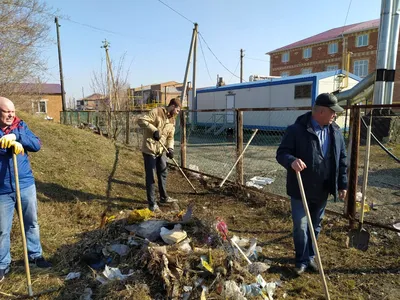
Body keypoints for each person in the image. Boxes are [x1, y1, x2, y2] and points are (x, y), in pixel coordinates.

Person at [276, 93, 347, 276]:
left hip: (323, 189)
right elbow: (281, 153)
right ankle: (300, 260)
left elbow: (342, 161)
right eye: (333, 112)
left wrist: (342, 185)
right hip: (300, 188)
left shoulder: (336, 132)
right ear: (321, 111)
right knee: (300, 226)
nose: (335, 116)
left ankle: (310, 256)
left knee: (315, 225)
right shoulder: (296, 130)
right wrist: (291, 160)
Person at [0, 97, 51, 282]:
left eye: (12, 111)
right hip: (2, 189)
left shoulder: (20, 126)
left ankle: (35, 256)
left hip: (25, 184)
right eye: (6, 111)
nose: (11, 114)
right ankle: (2, 265)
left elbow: (36, 144)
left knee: (31, 223)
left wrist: (17, 137)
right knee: (2, 230)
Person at [138, 98, 181, 212]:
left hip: (161, 150)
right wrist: (154, 130)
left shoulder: (172, 120)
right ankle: (152, 204)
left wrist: (170, 149)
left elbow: (170, 137)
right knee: (151, 176)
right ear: (172, 106)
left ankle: (163, 197)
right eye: (177, 110)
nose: (178, 113)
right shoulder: (156, 112)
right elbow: (141, 120)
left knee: (163, 172)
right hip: (150, 149)